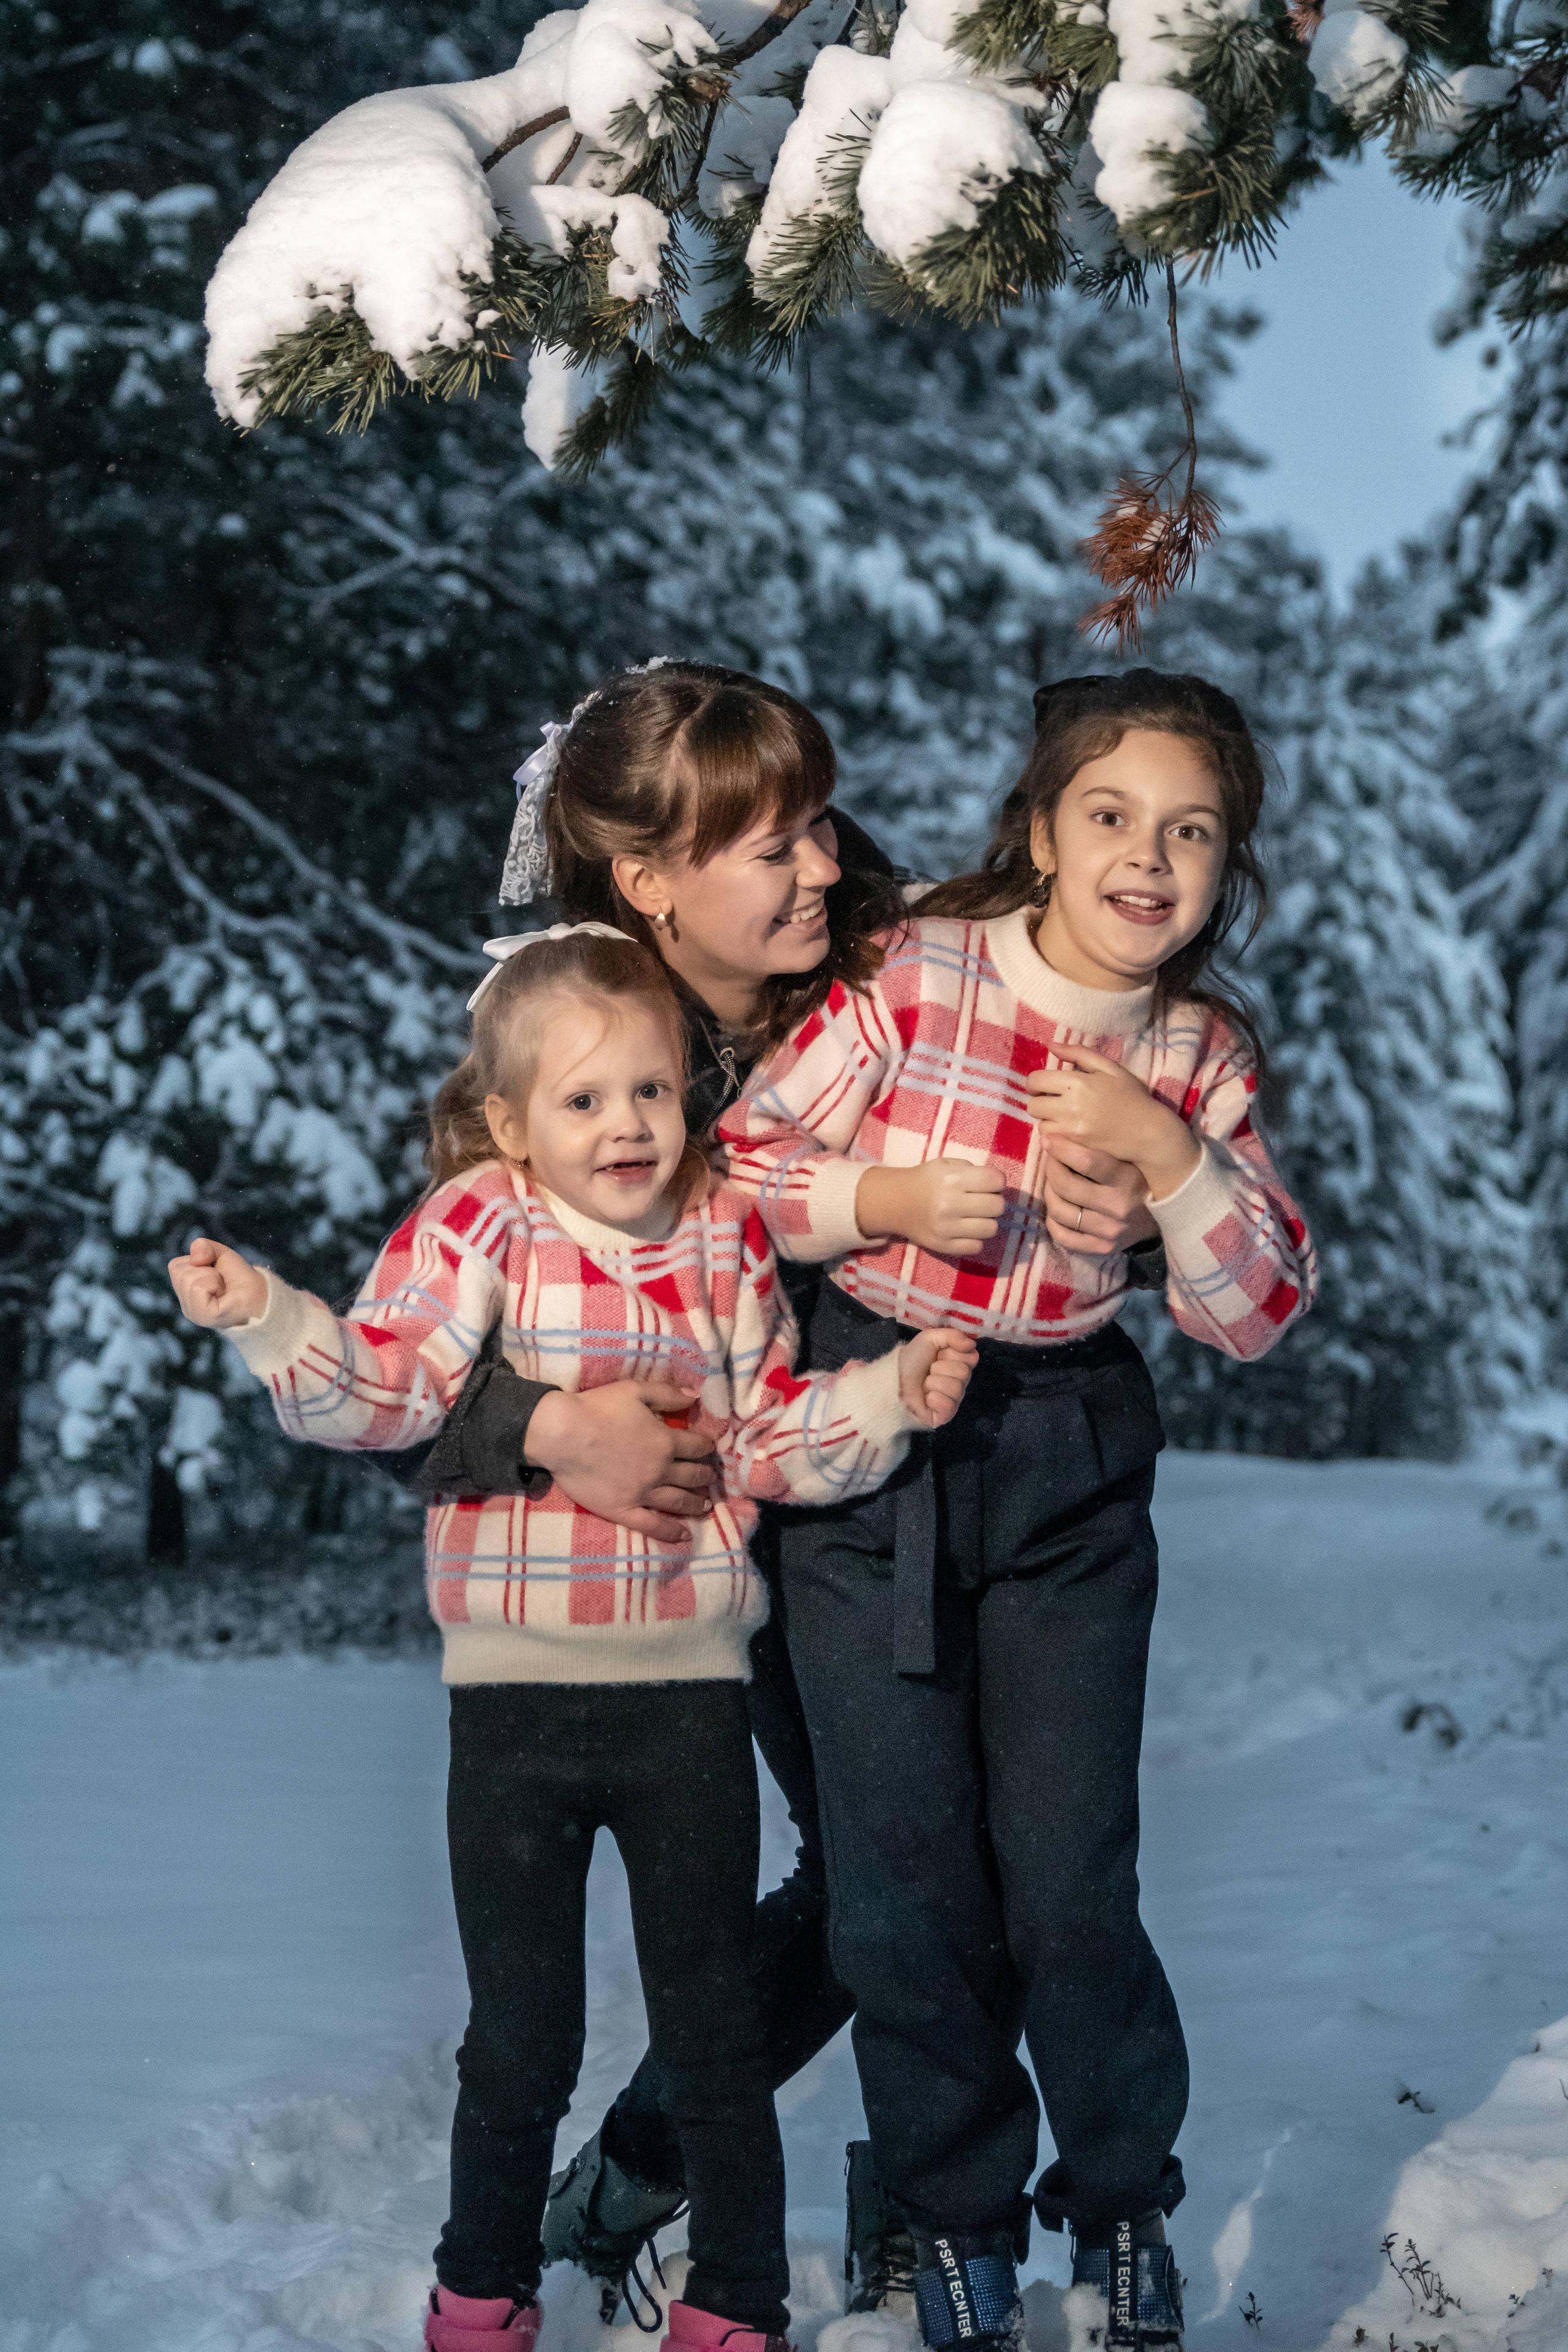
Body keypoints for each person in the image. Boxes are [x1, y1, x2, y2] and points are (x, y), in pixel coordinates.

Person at [409, 665, 1168, 2320]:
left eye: (819, 825)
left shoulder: (917, 957)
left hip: (960, 1473)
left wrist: (1139, 1202)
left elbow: (1108, 1075)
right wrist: (545, 1431)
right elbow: (415, 1364)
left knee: (970, 1864)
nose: (823, 866)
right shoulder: (576, 1046)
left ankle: (902, 2184)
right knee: (876, 1874)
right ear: (651, 882)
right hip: (725, 1543)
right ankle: (666, 2166)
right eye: (773, 845)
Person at [168, 923, 978, 2352]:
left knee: (715, 2029)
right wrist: (267, 1320)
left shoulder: (722, 1233)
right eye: (585, 1100)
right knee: (520, 2038)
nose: (625, 1128)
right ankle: (481, 2291)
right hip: (517, 1715)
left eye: (653, 1094)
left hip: (683, 1709)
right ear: (510, 1119)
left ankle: (732, 2299)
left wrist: (887, 1398)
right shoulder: (480, 1223)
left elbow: (771, 1439)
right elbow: (390, 1392)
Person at [716, 670, 1319, 2352]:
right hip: (869, 1447)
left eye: (1192, 831)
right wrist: (889, 1195)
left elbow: (1256, 1307)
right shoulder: (922, 973)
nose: (1150, 857)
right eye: (1112, 816)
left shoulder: (1197, 1051)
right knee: (901, 1889)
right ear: (1043, 831)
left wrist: (1164, 1160)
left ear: (1226, 867)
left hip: (1065, 1459)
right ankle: (957, 2213)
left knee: (1067, 1881)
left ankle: (1122, 2206)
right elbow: (741, 1172)